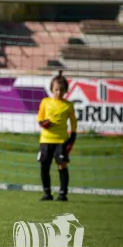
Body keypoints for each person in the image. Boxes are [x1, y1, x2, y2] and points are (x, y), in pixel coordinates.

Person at [37, 71, 77, 202]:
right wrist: (43, 123)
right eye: (56, 89)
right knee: (44, 166)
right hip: (46, 140)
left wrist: (73, 136)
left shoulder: (68, 105)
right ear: (52, 89)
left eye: (62, 90)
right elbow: (40, 118)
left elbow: (73, 122)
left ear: (66, 90)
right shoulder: (45, 102)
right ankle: (47, 193)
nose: (59, 92)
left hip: (61, 141)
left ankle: (63, 194)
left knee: (62, 166)